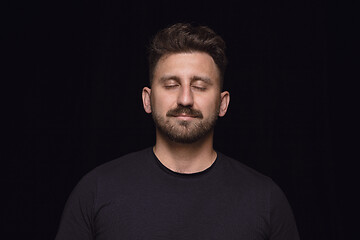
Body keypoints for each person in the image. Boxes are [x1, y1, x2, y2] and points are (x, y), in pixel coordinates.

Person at [55, 23, 300, 240]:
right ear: (147, 100)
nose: (185, 99)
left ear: (223, 103)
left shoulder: (265, 200)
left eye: (200, 86)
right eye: (171, 85)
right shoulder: (96, 191)